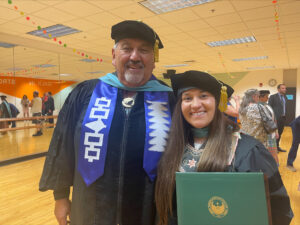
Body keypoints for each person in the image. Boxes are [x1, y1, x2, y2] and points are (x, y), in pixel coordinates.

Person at [39, 20, 174, 225]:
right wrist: (61, 196)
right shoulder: (86, 93)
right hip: (90, 207)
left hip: (149, 209)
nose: (135, 57)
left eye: (144, 50)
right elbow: (63, 144)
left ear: (153, 59)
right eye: (127, 48)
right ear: (113, 56)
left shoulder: (168, 98)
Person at [155, 71, 293, 225]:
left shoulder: (248, 151)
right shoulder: (173, 148)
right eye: (187, 98)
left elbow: (280, 211)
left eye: (203, 96)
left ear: (218, 102)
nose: (195, 104)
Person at [259, 90, 279, 165]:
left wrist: (276, 131)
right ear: (261, 97)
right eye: (266, 96)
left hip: (271, 133)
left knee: (273, 151)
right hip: (264, 134)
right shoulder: (258, 107)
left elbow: (274, 119)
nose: (268, 98)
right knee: (267, 153)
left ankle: (275, 168)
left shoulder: (268, 105)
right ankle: (271, 169)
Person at [268, 84, 287, 152]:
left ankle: (277, 146)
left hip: (282, 118)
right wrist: (272, 118)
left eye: (285, 88)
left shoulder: (284, 97)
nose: (285, 89)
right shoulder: (273, 97)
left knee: (280, 132)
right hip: (276, 118)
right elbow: (269, 108)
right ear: (278, 89)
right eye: (283, 88)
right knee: (275, 133)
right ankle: (274, 148)